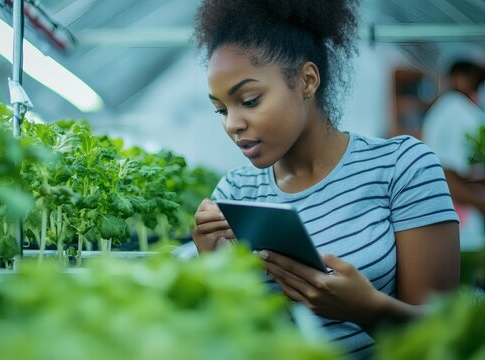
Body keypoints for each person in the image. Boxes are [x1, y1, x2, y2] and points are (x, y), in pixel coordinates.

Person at [190, 0, 460, 358]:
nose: (232, 124)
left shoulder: (401, 166)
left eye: (250, 100)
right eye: (221, 110)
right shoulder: (234, 192)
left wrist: (368, 310)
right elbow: (230, 335)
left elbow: (449, 337)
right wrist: (211, 270)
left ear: (307, 80)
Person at [422, 60, 485, 251]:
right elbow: (448, 172)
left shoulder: (445, 108)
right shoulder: (457, 110)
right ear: (460, 78)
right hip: (460, 211)